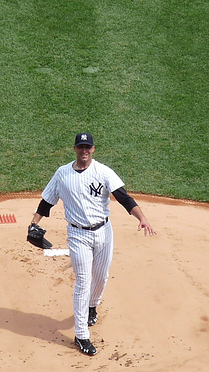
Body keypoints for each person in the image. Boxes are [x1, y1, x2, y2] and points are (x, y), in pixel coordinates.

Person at [29, 132, 156, 356]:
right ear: (75, 149)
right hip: (78, 235)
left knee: (101, 276)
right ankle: (81, 335)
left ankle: (92, 306)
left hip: (104, 232)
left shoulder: (103, 172)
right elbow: (47, 200)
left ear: (93, 149)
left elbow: (124, 197)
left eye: (88, 147)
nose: (84, 151)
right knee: (82, 282)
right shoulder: (62, 174)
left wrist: (142, 218)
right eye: (80, 147)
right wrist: (34, 222)